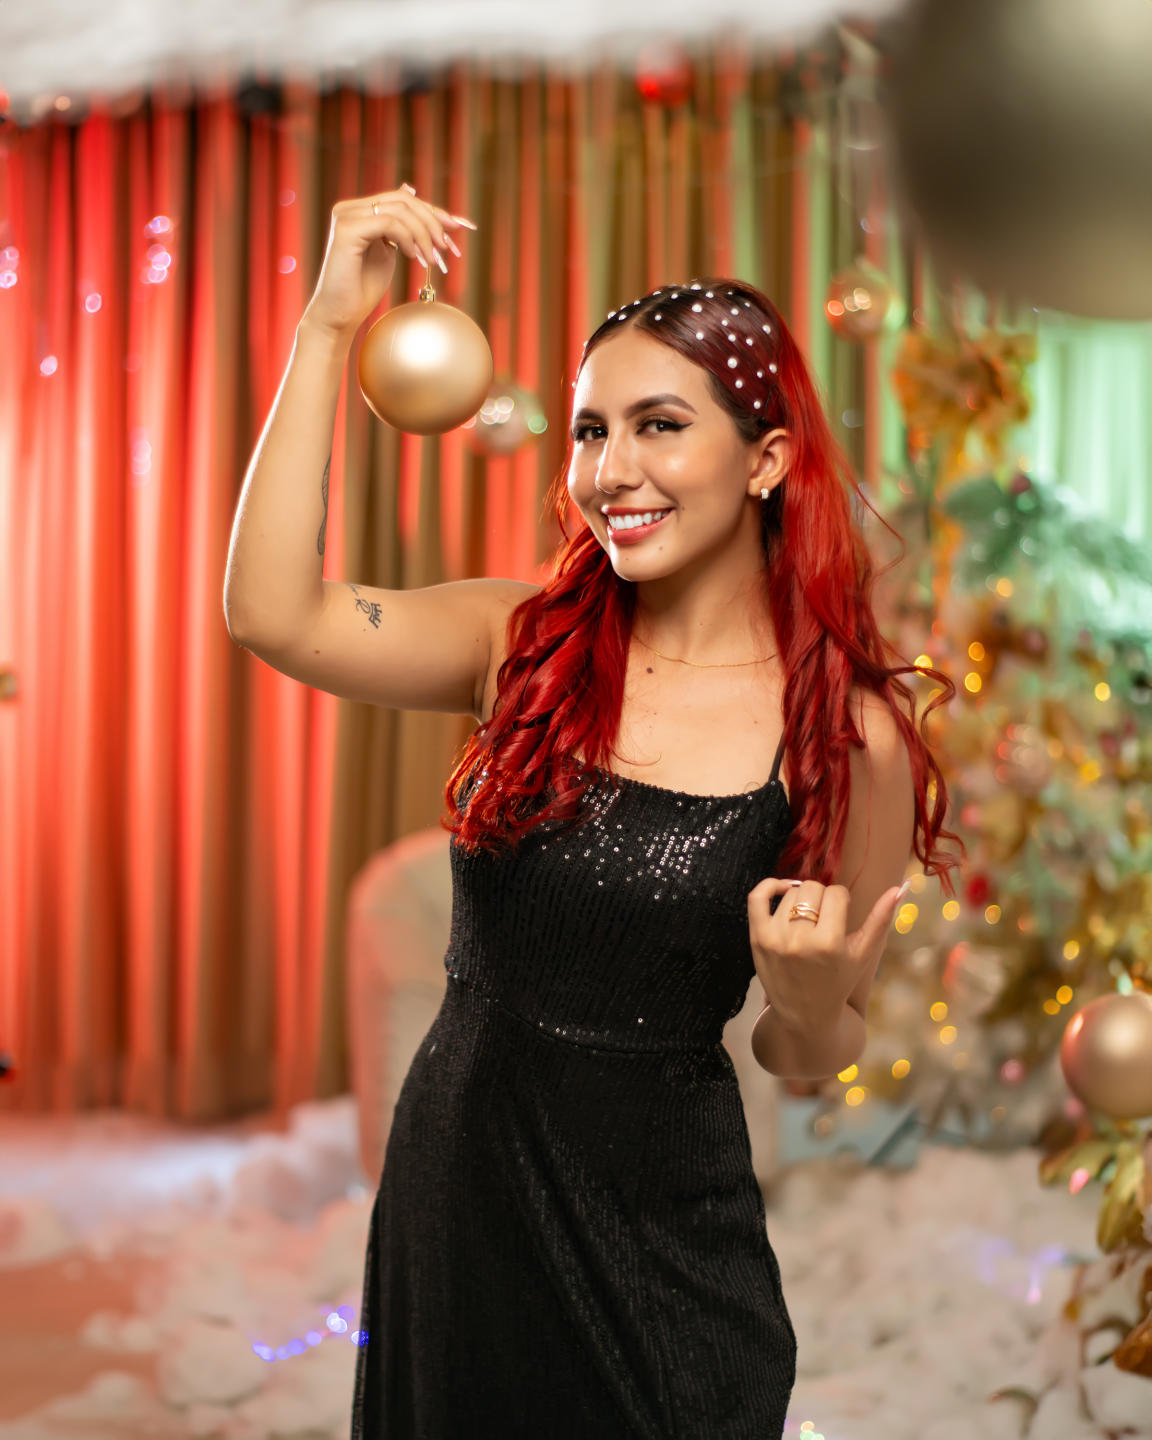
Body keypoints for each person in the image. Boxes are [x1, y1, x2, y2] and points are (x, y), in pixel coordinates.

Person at [224, 185, 962, 1438]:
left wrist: (802, 1003)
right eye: (589, 431)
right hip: (460, 1192)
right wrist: (329, 324)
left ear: (768, 458)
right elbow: (271, 612)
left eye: (659, 426)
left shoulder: (848, 736)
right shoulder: (517, 643)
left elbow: (814, 1052)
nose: (611, 472)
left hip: (663, 1240)